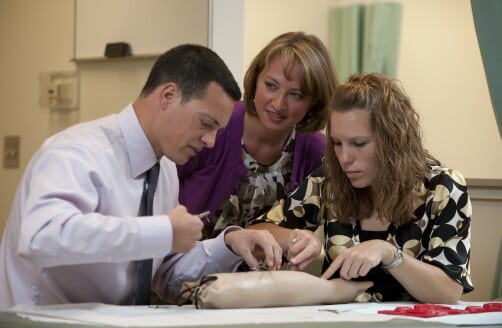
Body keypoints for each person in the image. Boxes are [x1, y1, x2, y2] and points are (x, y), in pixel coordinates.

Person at [0, 44, 283, 309]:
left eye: (217, 131)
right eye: (206, 124)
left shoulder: (166, 169)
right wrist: (162, 231)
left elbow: (161, 272)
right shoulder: (78, 152)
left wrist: (228, 244)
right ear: (168, 96)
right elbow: (41, 237)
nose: (210, 141)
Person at [251, 73, 474, 304]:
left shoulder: (443, 187)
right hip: (339, 325)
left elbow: (448, 291)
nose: (344, 158)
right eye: (337, 143)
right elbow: (256, 232)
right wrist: (293, 238)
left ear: (393, 140)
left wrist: (388, 253)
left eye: (359, 144)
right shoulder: (328, 180)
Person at [177, 32, 338, 241]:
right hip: (188, 267)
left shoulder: (316, 151)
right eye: (271, 85)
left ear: (314, 102)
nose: (278, 104)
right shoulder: (216, 125)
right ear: (255, 80)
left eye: (295, 94)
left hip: (266, 273)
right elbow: (155, 185)